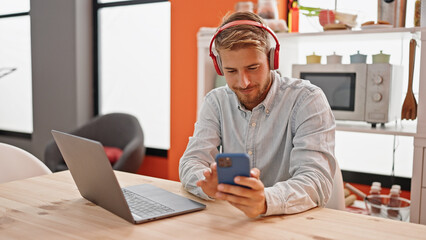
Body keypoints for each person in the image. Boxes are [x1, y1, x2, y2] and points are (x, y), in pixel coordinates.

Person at [179, 11, 336, 218]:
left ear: (272, 59)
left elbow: (316, 180)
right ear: (219, 67)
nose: (243, 82)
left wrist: (265, 201)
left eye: (253, 68)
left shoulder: (308, 99)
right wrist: (206, 183)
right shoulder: (216, 101)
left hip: (291, 223)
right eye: (231, 71)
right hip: (234, 221)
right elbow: (191, 161)